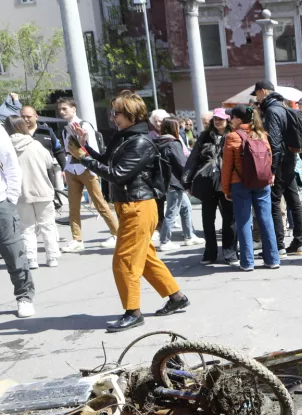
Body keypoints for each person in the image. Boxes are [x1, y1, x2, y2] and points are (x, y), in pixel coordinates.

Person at [68, 90, 189, 332]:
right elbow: (107, 161)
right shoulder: (127, 137)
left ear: (132, 114)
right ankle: (176, 297)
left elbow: (117, 173)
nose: (113, 117)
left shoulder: (140, 141)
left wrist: (82, 158)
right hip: (131, 206)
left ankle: (133, 312)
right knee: (145, 258)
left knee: (124, 261)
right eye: (113, 113)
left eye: (117, 113)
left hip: (138, 206)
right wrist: (85, 149)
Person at [222, 104, 280, 272]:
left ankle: (248, 262)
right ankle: (273, 259)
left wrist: (226, 189)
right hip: (262, 183)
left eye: (232, 117)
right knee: (266, 219)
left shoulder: (232, 137)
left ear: (239, 119)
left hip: (239, 183)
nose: (230, 120)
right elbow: (268, 160)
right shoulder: (261, 134)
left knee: (244, 221)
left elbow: (227, 167)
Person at [57, 97, 119, 252]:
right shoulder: (65, 130)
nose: (61, 112)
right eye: (60, 109)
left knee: (100, 203)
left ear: (73, 108)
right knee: (73, 206)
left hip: (87, 169)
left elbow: (93, 149)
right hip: (72, 169)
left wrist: (93, 170)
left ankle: (117, 234)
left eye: (65, 108)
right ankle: (77, 239)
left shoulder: (85, 126)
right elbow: (67, 150)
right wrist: (66, 168)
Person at [254, 80, 302, 255]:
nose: (257, 98)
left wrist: (273, 170)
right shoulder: (283, 107)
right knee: (293, 199)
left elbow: (274, 143)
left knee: (275, 201)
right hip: (290, 158)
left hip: (280, 161)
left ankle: (278, 245)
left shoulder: (271, 110)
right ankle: (299, 242)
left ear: (262, 91)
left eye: (257, 94)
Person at [6, 117, 61, 269]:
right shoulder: (35, 144)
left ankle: (31, 259)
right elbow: (50, 162)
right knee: (47, 225)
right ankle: (52, 257)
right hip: (42, 190)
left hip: (20, 193)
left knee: (26, 227)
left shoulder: (6, 147)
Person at [186, 108, 237, 265]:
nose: (218, 121)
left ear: (227, 120)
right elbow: (193, 159)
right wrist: (187, 180)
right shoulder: (204, 136)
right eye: (215, 118)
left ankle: (230, 253)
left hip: (227, 181)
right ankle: (210, 253)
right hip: (208, 181)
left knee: (229, 219)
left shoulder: (233, 136)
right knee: (208, 219)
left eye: (221, 118)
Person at [0, 122, 37, 318]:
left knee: (13, 252)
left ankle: (24, 296)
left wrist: (10, 199)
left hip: (1, 203)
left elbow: (11, 165)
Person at [153, 118, 202, 250]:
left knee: (186, 208)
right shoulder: (173, 143)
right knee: (172, 212)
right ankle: (164, 241)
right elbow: (182, 164)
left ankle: (189, 236)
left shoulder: (157, 142)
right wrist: (190, 178)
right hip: (175, 182)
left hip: (166, 181)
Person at [20, 105, 66, 170]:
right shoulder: (17, 134)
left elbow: (58, 151)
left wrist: (64, 169)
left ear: (36, 117)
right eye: (22, 117)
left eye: (28, 117)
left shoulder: (47, 131)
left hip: (47, 170)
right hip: (26, 171)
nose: (25, 119)